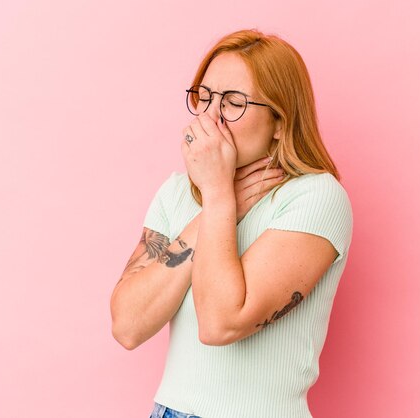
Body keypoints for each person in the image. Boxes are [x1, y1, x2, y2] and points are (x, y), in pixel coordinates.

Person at [110, 28, 353, 418]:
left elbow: (221, 324)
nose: (210, 118)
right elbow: (127, 325)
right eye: (203, 98)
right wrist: (215, 201)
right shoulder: (176, 192)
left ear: (279, 121)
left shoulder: (314, 197)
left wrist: (219, 194)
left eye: (233, 103)